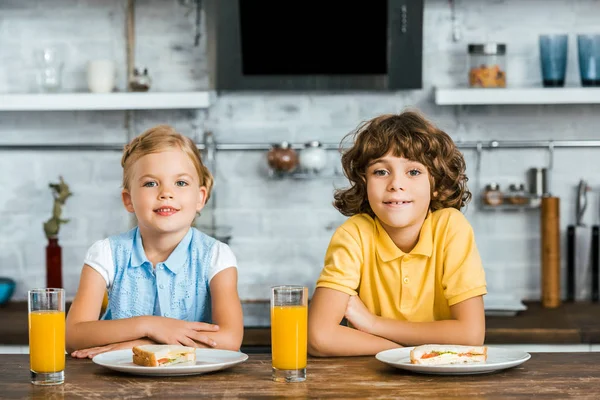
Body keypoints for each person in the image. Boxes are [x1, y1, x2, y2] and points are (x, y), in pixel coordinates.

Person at [308, 110, 487, 357]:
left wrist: (373, 324)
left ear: (434, 185)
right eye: (381, 172)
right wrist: (406, 354)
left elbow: (470, 335)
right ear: (364, 183)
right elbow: (319, 337)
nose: (396, 184)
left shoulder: (451, 228)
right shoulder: (354, 234)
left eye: (413, 172)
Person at [66, 125, 243, 358]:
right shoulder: (105, 254)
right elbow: (72, 337)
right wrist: (149, 325)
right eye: (151, 183)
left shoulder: (216, 256)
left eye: (180, 183)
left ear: (200, 198)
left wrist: (142, 345)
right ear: (128, 200)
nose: (166, 193)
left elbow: (229, 340)